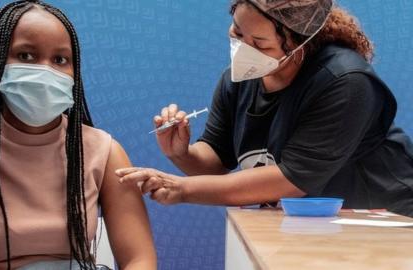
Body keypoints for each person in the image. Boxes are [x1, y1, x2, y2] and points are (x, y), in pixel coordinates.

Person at [116, 0, 413, 217]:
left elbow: (291, 180)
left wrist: (181, 189)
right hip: (316, 222)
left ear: (302, 44)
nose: (244, 49)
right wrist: (181, 153)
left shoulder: (345, 82)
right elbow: (217, 160)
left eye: (260, 43)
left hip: (384, 217)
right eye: (237, 33)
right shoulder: (241, 77)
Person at [0, 1, 156, 269]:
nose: (45, 71)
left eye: (60, 60)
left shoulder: (104, 151)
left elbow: (139, 259)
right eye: (26, 56)